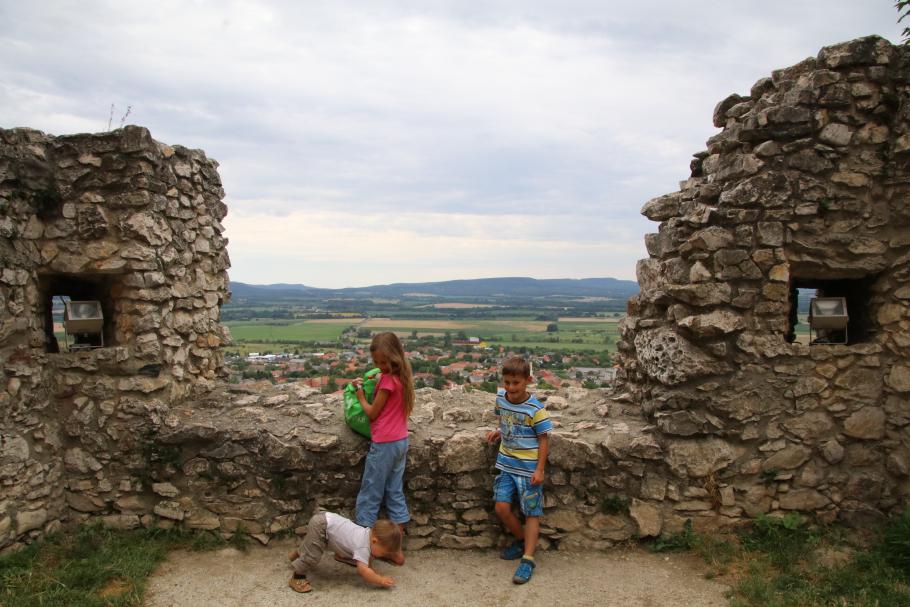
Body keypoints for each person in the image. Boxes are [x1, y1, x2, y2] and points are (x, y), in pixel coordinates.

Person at [485, 356, 552, 584]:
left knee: (531, 512)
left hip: (528, 470)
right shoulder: (501, 400)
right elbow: (506, 422)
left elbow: (544, 440)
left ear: (527, 381)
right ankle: (523, 541)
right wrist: (499, 431)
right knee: (501, 507)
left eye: (516, 383)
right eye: (507, 382)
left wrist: (540, 469)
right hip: (506, 464)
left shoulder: (536, 409)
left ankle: (528, 558)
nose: (511, 388)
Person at [351, 332, 415, 563]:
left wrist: (359, 395)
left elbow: (372, 413)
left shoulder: (387, 381)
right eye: (376, 362)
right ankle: (396, 551)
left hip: (385, 444)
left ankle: (361, 551)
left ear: (394, 358)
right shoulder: (403, 377)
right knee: (394, 493)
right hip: (400, 441)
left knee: (370, 494)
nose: (379, 366)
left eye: (382, 362)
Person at [288, 511, 401, 593]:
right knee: (312, 557)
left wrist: (373, 568)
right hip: (322, 526)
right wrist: (380, 580)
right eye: (382, 553)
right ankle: (297, 578)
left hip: (327, 518)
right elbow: (364, 571)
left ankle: (297, 554)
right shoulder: (363, 547)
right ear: (375, 541)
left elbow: (369, 559)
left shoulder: (367, 533)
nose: (381, 556)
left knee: (312, 545)